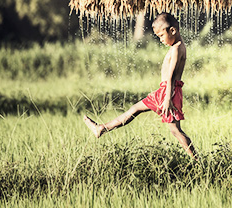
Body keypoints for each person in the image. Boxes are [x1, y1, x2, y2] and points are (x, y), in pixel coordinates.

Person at [83, 12, 196, 159]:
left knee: (173, 129)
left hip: (168, 92)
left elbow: (170, 76)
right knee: (161, 122)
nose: (160, 39)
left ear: (172, 30)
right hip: (169, 91)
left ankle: (196, 160)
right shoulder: (178, 46)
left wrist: (167, 98)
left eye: (161, 35)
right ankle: (101, 128)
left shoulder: (176, 49)